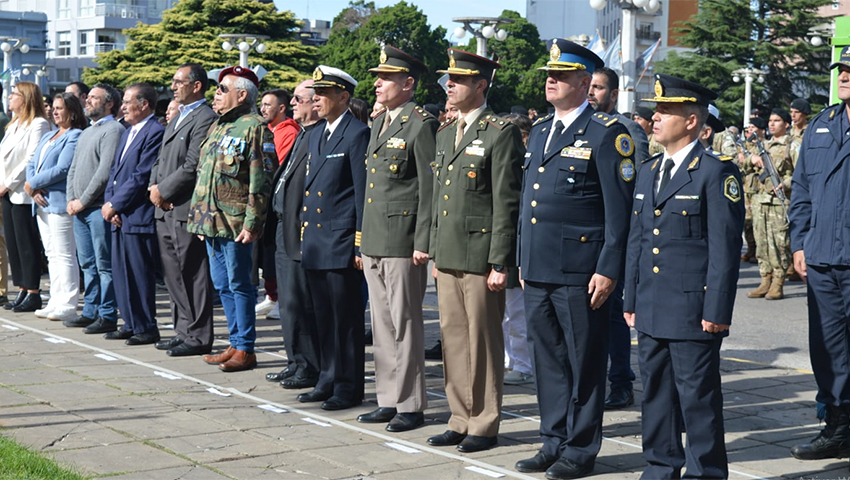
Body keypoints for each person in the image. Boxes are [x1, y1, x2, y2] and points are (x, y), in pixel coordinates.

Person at [513, 39, 634, 479]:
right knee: (547, 360)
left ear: (585, 83)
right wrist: (522, 259)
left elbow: (619, 212)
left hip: (582, 271)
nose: (551, 80)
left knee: (584, 362)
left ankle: (580, 450)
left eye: (561, 75)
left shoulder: (606, 133)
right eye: (550, 74)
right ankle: (553, 440)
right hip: (540, 267)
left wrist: (608, 267)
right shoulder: (543, 129)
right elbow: (529, 201)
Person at [623, 73, 744, 480]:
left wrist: (717, 309)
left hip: (694, 310)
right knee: (655, 394)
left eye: (664, 110)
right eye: (654, 110)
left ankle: (705, 473)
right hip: (653, 305)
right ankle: (660, 467)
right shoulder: (649, 170)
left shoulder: (714, 172)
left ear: (692, 120)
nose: (654, 118)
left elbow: (725, 251)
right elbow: (637, 240)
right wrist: (631, 298)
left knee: (698, 399)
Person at [426, 48, 523, 454]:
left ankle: (483, 423)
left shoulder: (499, 132)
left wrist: (501, 262)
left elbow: (506, 202)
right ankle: (459, 417)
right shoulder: (446, 132)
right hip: (448, 253)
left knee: (483, 341)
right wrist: (433, 250)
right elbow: (438, 198)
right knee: (453, 340)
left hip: (482, 256)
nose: (450, 85)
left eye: (459, 80)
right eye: (449, 79)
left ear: (480, 85)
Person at [356, 45, 436, 432]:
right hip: (375, 237)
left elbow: (429, 188)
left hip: (404, 240)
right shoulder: (379, 122)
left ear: (408, 83)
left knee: (406, 324)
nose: (377, 83)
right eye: (378, 76)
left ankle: (411, 403)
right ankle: (387, 398)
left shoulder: (420, 124)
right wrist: (362, 241)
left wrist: (423, 242)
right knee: (382, 325)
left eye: (385, 78)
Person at [188, 66, 274, 372]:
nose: (217, 93)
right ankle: (235, 342)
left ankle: (246, 347)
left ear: (242, 94)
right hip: (211, 222)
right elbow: (205, 176)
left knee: (240, 285)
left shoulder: (255, 127)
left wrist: (253, 223)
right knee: (222, 284)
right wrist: (199, 220)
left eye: (223, 89)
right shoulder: (219, 126)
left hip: (236, 222)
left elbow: (260, 180)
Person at [295, 65, 369, 411]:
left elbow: (360, 194)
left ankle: (349, 386)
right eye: (316, 94)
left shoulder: (356, 134)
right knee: (321, 316)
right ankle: (327, 378)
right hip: (315, 240)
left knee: (346, 321)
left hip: (340, 241)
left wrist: (358, 243)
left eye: (323, 94)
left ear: (343, 96)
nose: (317, 100)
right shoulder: (315, 135)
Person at [789, 46, 850, 464]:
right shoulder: (822, 125)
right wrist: (798, 242)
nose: (843, 75)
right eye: (841, 69)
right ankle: (838, 426)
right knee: (827, 347)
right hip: (824, 256)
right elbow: (802, 189)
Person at [587, 65, 649, 411]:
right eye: (590, 86)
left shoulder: (627, 132)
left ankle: (621, 381)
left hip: (612, 240)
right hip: (581, 240)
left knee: (613, 315)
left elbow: (635, 192)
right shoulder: (579, 127)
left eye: (599, 88)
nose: (592, 93)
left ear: (614, 94)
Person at [148, 63, 218, 357]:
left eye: (179, 82)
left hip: (184, 207)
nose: (174, 86)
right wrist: (154, 187)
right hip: (163, 207)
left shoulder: (204, 117)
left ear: (197, 86)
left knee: (193, 272)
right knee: (173, 274)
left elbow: (192, 165)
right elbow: (162, 159)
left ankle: (199, 336)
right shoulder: (179, 115)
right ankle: (183, 331)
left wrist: (163, 191)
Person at [265, 79, 322, 389]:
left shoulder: (316, 136)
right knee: (288, 303)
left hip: (300, 231)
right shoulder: (302, 135)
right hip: (282, 228)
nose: (294, 104)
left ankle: (308, 365)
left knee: (301, 303)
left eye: (299, 98)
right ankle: (295, 360)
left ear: (316, 103)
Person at [101, 83, 164, 346]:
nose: (123, 107)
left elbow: (141, 176)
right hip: (120, 213)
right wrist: (109, 204)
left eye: (128, 102)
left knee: (139, 273)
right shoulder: (128, 132)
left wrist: (115, 205)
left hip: (137, 213)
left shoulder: (154, 131)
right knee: (121, 271)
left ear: (145, 104)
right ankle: (130, 322)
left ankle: (146, 326)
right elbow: (115, 172)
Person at [64, 84, 124, 332]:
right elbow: (74, 168)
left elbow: (104, 173)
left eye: (94, 98)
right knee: (87, 263)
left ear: (109, 104)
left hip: (97, 208)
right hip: (79, 208)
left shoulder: (113, 130)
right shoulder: (87, 131)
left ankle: (107, 314)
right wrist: (71, 198)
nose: (87, 101)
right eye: (88, 98)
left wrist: (83, 200)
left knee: (104, 264)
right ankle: (90, 310)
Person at [25, 93, 86, 321]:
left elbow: (63, 168)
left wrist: (34, 183)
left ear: (72, 111)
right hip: (41, 201)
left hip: (59, 202)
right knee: (51, 254)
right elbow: (32, 163)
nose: (56, 111)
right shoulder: (49, 135)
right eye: (55, 108)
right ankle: (55, 299)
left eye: (61, 108)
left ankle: (68, 303)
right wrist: (33, 187)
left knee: (65, 254)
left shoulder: (74, 136)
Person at [0, 82, 50, 312]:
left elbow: (30, 159)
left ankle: (33, 291)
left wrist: (7, 184)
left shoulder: (38, 125)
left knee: (27, 243)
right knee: (13, 243)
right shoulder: (13, 125)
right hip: (7, 192)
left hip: (21, 191)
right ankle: (21, 287)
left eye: (14, 95)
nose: (10, 98)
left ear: (26, 99)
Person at [255, 89, 298, 321]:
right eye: (261, 104)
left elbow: (278, 168)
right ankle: (271, 296)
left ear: (282, 108)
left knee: (275, 253)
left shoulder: (288, 132)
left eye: (268, 105)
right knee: (265, 255)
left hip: (276, 202)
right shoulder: (265, 130)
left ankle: (281, 297)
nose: (263, 109)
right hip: (263, 201)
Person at [747, 109, 798, 301]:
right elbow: (743, 164)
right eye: (770, 120)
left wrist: (785, 183)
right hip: (761, 201)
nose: (771, 124)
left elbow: (802, 172)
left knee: (779, 244)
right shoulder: (764, 145)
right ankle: (765, 279)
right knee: (762, 242)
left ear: (786, 124)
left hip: (779, 201)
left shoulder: (792, 146)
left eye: (777, 120)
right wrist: (752, 159)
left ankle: (778, 282)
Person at [501, 112, 534, 387]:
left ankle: (523, 364)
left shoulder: (527, 164)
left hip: (517, 246)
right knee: (503, 313)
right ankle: (509, 360)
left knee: (517, 314)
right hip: (504, 245)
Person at [739, 117, 766, 264]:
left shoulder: (764, 146)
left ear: (761, 130)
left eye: (753, 128)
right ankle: (751, 249)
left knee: (757, 223)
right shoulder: (744, 147)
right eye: (748, 129)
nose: (749, 131)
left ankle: (758, 251)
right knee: (747, 222)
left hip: (758, 189)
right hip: (745, 189)